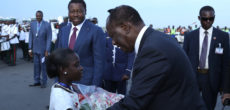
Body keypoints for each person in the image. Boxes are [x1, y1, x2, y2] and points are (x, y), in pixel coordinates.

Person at [106, 5, 206, 110]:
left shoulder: (152, 50)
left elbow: (135, 103)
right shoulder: (158, 39)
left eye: (113, 35)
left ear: (125, 28)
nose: (113, 42)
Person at [183, 6, 230, 110]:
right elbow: (184, 61)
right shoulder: (189, 36)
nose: (208, 21)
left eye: (211, 18)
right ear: (199, 18)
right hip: (193, 78)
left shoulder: (223, 36)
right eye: (205, 19)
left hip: (211, 80)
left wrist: (226, 91)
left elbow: (226, 65)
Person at [56, 0, 106, 86]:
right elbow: (58, 58)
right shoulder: (63, 31)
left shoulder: (96, 31)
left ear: (85, 11)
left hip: (86, 84)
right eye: (72, 11)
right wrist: (57, 81)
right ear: (68, 13)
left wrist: (95, 87)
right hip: (64, 82)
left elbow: (99, 63)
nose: (75, 14)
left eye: (79, 11)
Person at [29, 10, 52, 88]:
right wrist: (29, 48)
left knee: (43, 66)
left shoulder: (47, 25)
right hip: (35, 49)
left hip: (43, 50)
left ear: (42, 16)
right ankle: (37, 81)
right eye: (37, 15)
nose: (38, 17)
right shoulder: (32, 24)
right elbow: (30, 37)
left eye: (39, 15)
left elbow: (49, 38)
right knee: (36, 66)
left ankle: (44, 82)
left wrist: (47, 50)